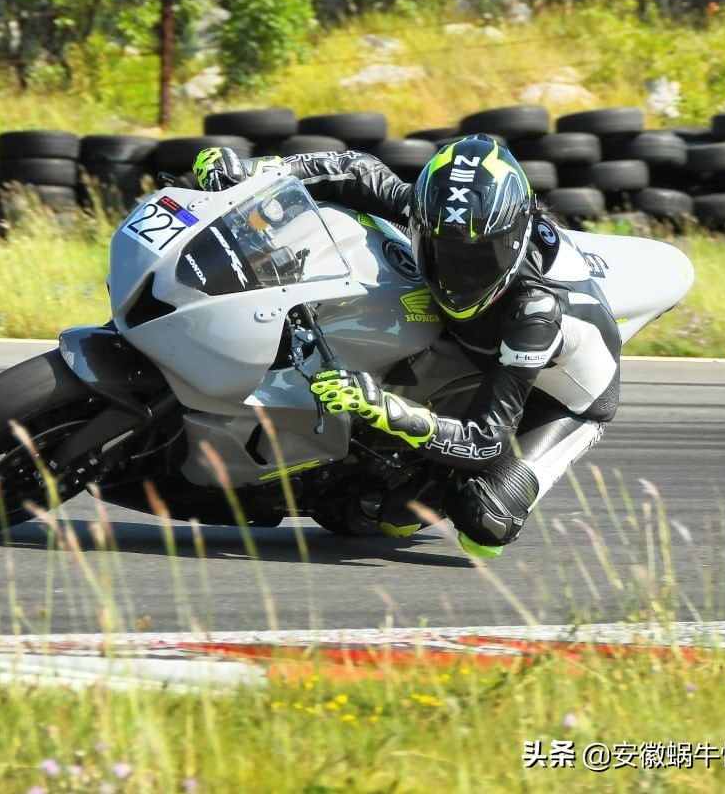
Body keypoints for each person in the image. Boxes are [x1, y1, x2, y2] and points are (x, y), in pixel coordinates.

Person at [192, 136, 621, 558]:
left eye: (478, 260)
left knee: (483, 518)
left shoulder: (535, 315)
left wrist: (381, 407)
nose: (458, 275)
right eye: (442, 253)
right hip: (475, 341)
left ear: (511, 244)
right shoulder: (440, 214)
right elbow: (356, 170)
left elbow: (483, 442)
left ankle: (423, 489)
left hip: (560, 395)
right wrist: (249, 172)